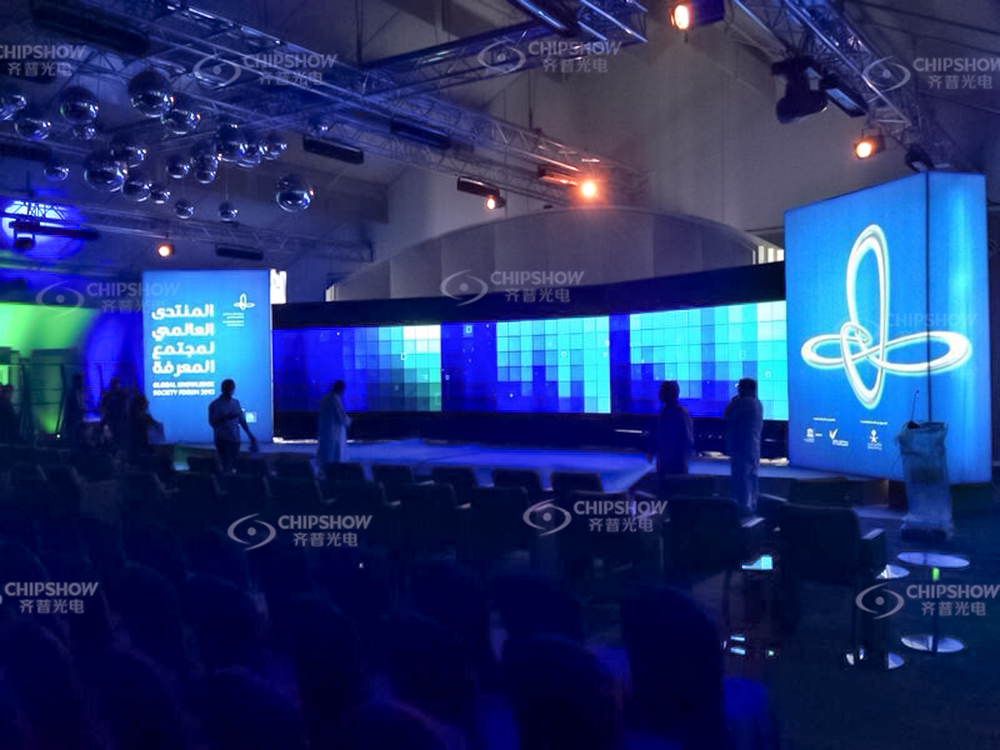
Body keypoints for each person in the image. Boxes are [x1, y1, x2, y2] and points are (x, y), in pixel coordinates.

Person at [724, 378, 763, 514]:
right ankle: (752, 506)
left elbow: (727, 414)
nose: (738, 390)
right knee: (751, 478)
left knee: (741, 480)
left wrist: (734, 401)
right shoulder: (757, 403)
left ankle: (742, 510)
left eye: (740, 387)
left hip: (741, 448)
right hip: (753, 447)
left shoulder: (742, 403)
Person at [208, 379, 257, 473]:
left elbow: (242, 420)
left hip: (235, 438)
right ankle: (227, 480)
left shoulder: (236, 403)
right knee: (226, 463)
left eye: (230, 389)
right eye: (227, 388)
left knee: (234, 463)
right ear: (222, 389)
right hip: (222, 439)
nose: (229, 391)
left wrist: (250, 434)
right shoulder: (215, 405)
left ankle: (232, 479)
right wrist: (226, 418)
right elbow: (212, 422)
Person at [654, 380, 694, 479]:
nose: (659, 394)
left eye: (661, 391)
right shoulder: (665, 412)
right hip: (666, 462)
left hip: (675, 463)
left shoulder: (679, 413)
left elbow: (686, 439)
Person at [317, 381, 351, 474]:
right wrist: (349, 421)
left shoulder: (325, 399)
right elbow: (342, 418)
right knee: (333, 457)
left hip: (326, 433)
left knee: (325, 457)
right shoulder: (334, 400)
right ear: (341, 389)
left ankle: (324, 474)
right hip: (333, 434)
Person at [100, 377, 129, 448]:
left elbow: (126, 398)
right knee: (113, 433)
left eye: (114, 384)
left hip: (119, 418)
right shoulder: (109, 394)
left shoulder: (120, 393)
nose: (113, 386)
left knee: (118, 434)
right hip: (112, 418)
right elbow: (103, 404)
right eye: (113, 384)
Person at [63, 373, 86, 446]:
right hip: (74, 420)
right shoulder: (72, 393)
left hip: (77, 419)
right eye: (80, 381)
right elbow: (69, 407)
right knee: (74, 437)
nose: (81, 383)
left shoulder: (78, 393)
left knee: (77, 437)